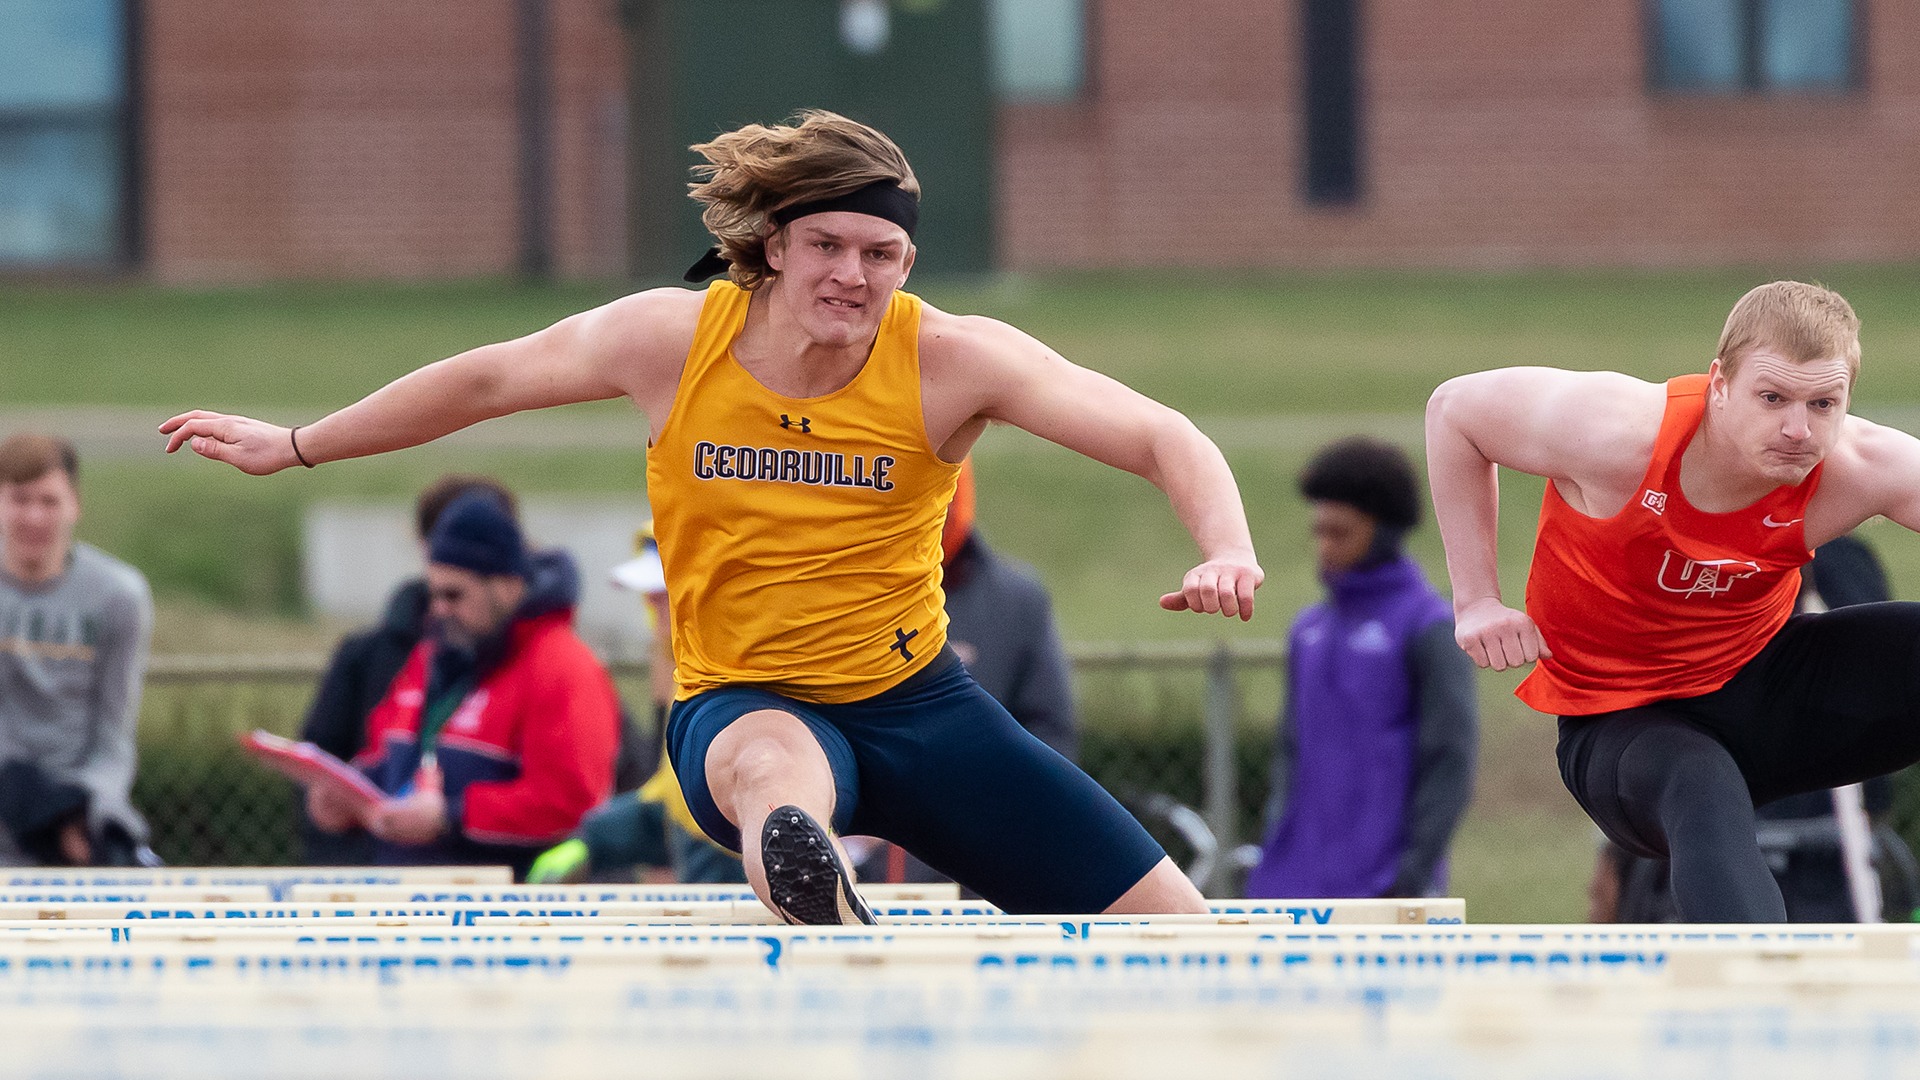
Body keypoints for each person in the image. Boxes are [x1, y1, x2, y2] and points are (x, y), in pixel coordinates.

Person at [163, 110, 1261, 923]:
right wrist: (300, 442)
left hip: (923, 706)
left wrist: (1227, 547)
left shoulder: (951, 360)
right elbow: (490, 379)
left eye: (881, 255)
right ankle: (808, 886)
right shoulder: (671, 340)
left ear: (908, 264)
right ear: (775, 245)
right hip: (742, 703)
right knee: (778, 781)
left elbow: (1164, 435)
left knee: (1182, 940)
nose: (854, 275)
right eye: (829, 245)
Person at [1425, 279, 1920, 922]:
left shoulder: (1866, 465)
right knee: (1698, 783)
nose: (1798, 430)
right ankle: (1760, 991)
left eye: (1823, 404)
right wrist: (1477, 600)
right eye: (1772, 399)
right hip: (1624, 724)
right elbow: (1453, 411)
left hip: (1766, 692)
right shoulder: (1618, 432)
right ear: (1718, 385)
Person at [306, 492, 621, 879]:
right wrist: (351, 797)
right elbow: (394, 759)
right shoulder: (434, 656)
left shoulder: (562, 667)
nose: (438, 608)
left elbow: (571, 804)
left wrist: (451, 816)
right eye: (433, 593)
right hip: (411, 902)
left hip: (514, 915)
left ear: (506, 586)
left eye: (454, 594)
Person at [1246, 437, 1477, 900]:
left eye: (1341, 532)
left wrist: (1412, 873)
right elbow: (1291, 752)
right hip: (1297, 885)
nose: (1325, 547)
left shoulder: (1427, 627)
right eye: (1320, 532)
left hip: (1387, 889)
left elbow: (1449, 759)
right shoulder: (1308, 630)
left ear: (1384, 531)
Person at [853, 457, 1081, 885]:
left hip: (975, 874)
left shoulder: (1015, 601)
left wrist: (986, 813)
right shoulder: (845, 589)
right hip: (855, 873)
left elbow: (1051, 734)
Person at [297, 474, 519, 865]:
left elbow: (573, 797)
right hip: (380, 877)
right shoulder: (391, 656)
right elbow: (338, 765)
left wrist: (449, 816)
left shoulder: (542, 656)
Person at [529, 523, 749, 886]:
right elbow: (670, 806)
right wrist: (591, 842)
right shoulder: (689, 678)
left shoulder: (737, 694)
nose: (650, 602)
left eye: (664, 592)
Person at [0, 433, 157, 867]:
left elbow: (114, 735)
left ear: (75, 505)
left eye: (49, 501)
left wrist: (84, 811)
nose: (34, 516)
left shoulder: (118, 596)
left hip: (82, 821)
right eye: (20, 499)